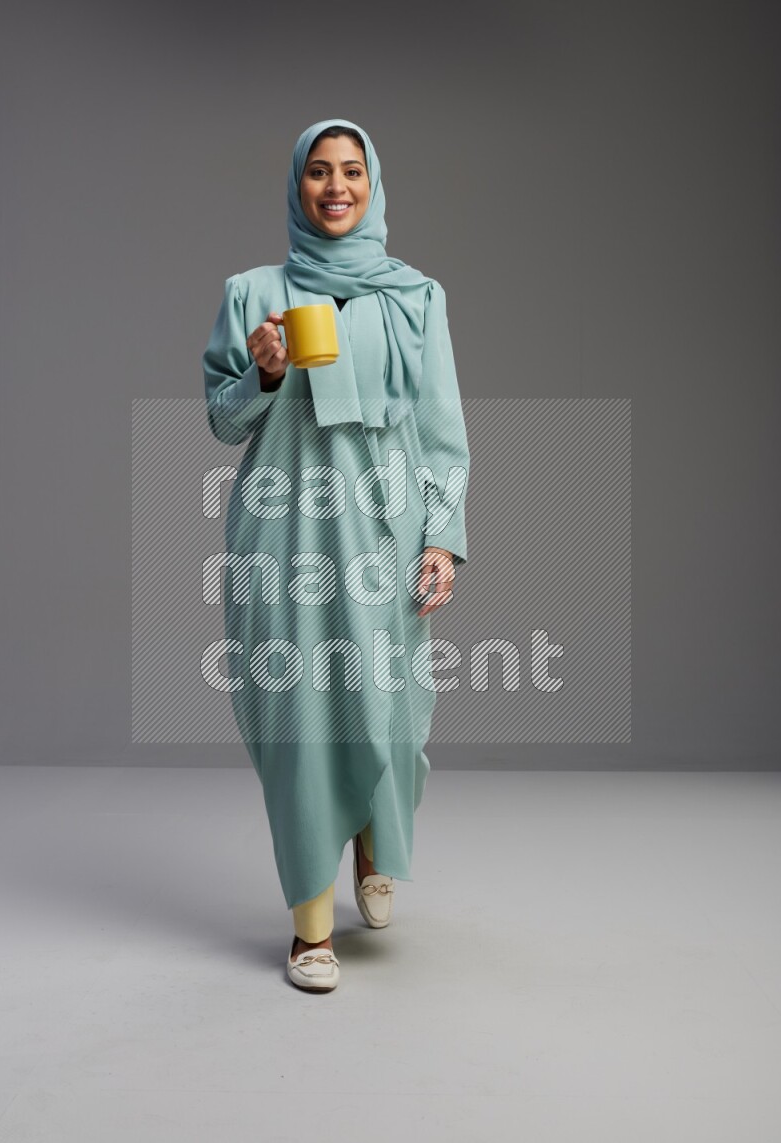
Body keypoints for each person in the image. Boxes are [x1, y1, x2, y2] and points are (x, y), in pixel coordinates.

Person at [202, 118, 470, 991]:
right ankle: (308, 928)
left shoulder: (416, 297)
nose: (335, 186)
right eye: (318, 171)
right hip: (285, 535)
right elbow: (222, 420)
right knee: (300, 720)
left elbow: (441, 435)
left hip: (383, 535)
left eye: (351, 170)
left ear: (373, 182)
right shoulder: (254, 294)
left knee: (386, 703)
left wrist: (442, 540)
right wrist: (265, 374)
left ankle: (374, 846)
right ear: (297, 185)